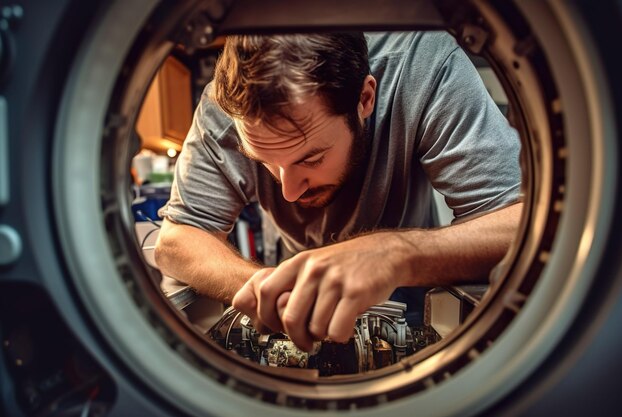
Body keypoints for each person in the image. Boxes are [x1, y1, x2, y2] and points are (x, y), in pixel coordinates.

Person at [155, 31, 522, 352]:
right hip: (301, 321)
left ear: (364, 99)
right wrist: (268, 290)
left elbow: (520, 223)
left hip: (417, 307)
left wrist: (395, 254)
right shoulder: (223, 107)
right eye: (265, 161)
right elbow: (176, 241)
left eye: (310, 159)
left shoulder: (424, 68)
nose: (289, 192)